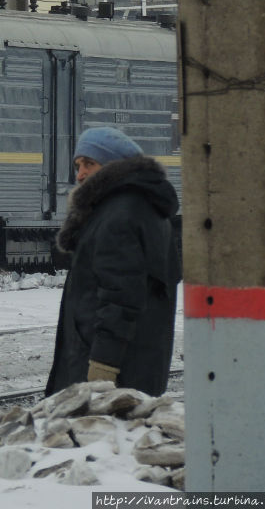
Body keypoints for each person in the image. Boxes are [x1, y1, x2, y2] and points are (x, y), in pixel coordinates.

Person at [45, 126, 181, 397]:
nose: (80, 174)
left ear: (113, 167)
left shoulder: (119, 216)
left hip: (108, 370)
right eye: (77, 165)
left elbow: (121, 299)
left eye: (89, 164)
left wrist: (103, 366)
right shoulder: (146, 209)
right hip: (140, 364)